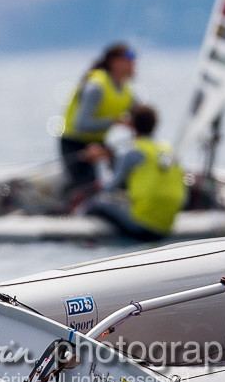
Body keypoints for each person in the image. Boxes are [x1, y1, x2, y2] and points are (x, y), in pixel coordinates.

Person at [85, 103, 188, 241]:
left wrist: (99, 161)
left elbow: (107, 188)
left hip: (143, 226)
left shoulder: (132, 151)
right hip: (167, 226)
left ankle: (80, 239)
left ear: (132, 125)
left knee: (97, 202)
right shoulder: (168, 150)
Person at [59, 42, 137, 201]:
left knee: (123, 179)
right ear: (114, 62)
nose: (133, 64)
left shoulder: (127, 91)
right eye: (128, 59)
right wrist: (115, 122)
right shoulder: (96, 86)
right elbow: (81, 124)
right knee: (86, 189)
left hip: (98, 143)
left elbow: (141, 121)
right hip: (75, 144)